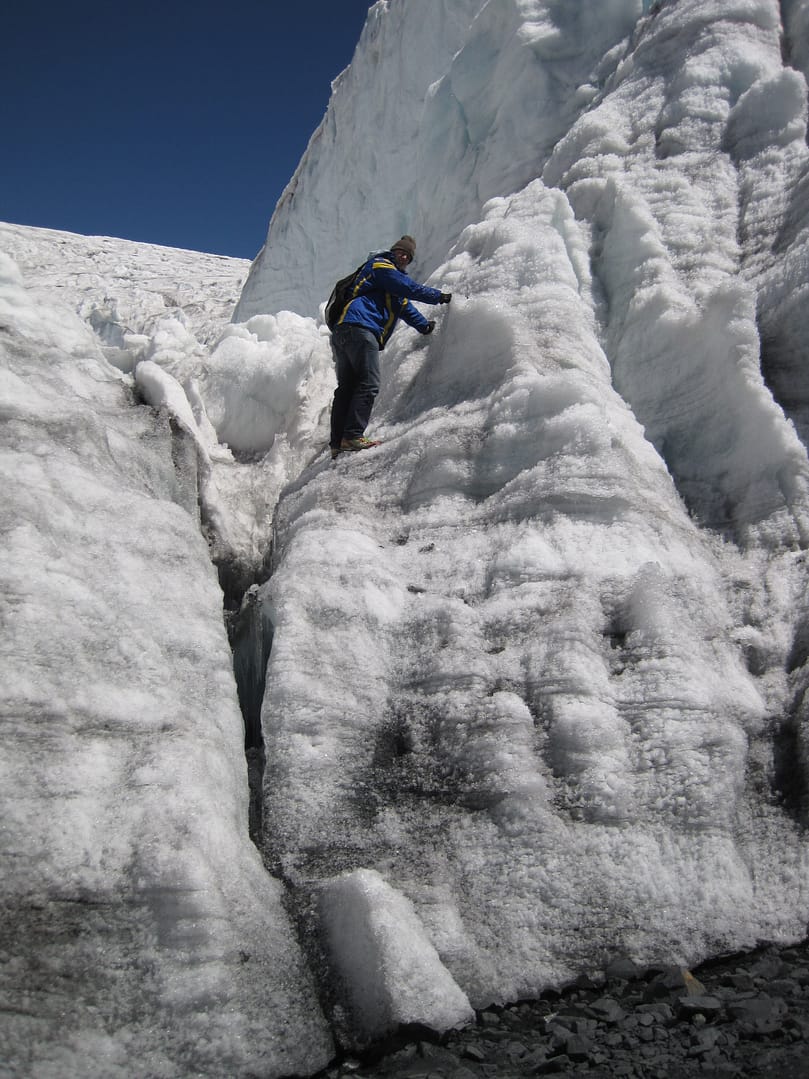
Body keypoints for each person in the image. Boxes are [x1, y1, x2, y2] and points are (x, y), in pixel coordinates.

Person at [328, 235, 452, 458]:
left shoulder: (386, 286)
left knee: (346, 387)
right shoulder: (381, 265)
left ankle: (337, 443)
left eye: (408, 255)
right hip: (361, 328)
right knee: (368, 382)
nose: (403, 256)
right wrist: (440, 297)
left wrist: (424, 327)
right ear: (392, 251)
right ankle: (353, 436)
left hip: (343, 332)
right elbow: (408, 288)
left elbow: (404, 307)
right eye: (401, 252)